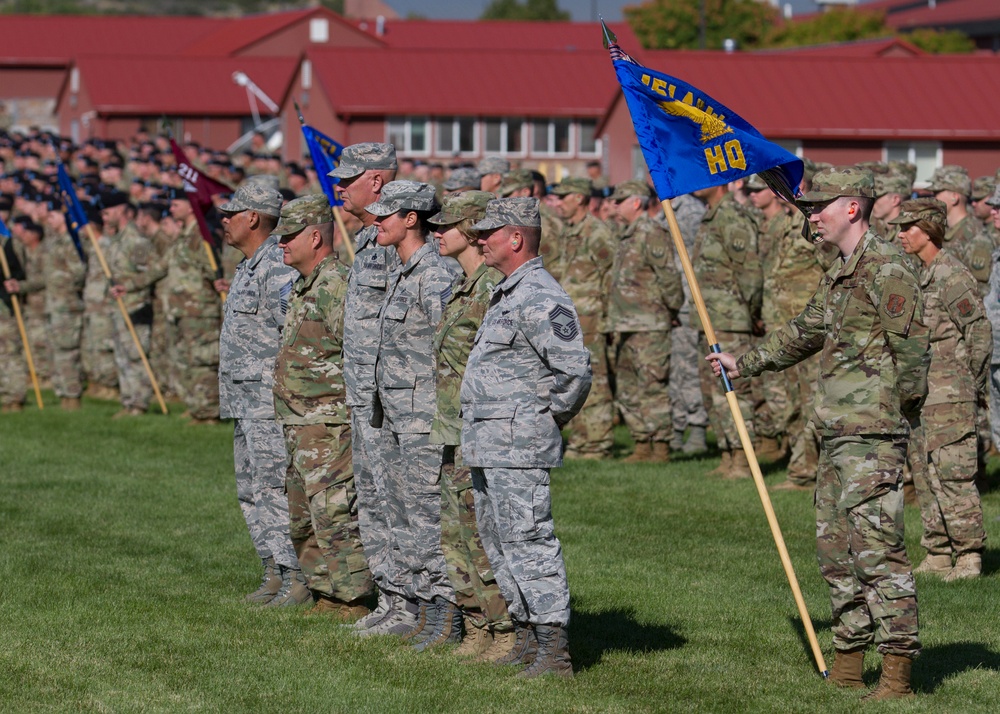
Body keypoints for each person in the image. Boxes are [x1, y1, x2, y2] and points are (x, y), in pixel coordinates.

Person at [707, 166, 929, 701]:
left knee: (877, 550)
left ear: (852, 208)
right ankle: (849, 663)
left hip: (871, 435)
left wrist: (894, 416)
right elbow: (806, 329)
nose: (811, 218)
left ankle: (897, 672)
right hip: (835, 430)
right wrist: (746, 363)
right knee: (836, 552)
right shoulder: (840, 272)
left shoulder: (888, 267)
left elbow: (914, 354)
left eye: (818, 208)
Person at [462, 197, 592, 678]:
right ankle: (527, 636)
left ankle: (554, 650)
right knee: (499, 541)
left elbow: (574, 371)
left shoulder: (540, 294)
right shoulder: (508, 292)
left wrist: (543, 420)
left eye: (489, 233)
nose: (480, 240)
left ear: (515, 238)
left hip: (518, 445)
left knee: (529, 539)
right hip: (489, 443)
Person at [354, 180, 460, 640]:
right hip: (395, 415)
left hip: (422, 419)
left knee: (427, 517)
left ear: (411, 219)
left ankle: (446, 614)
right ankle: (417, 608)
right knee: (401, 515)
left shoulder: (435, 275)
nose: (377, 222)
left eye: (386, 215)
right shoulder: (402, 271)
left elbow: (451, 351)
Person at [271, 194, 374, 618]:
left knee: (334, 513)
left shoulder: (336, 285)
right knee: (302, 514)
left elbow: (358, 354)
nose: (281, 245)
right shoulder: (302, 285)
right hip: (299, 423)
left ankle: (353, 598)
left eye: (289, 237)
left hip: (329, 424)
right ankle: (325, 592)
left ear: (315, 236)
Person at [427, 190, 513, 658]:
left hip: (479, 430)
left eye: (448, 225)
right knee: (456, 532)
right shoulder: (462, 286)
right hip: (451, 428)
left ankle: (504, 627)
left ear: (476, 231)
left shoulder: (491, 288)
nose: (438, 233)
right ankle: (477, 621)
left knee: (482, 532)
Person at [217, 179, 308, 607]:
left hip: (268, 402)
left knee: (273, 488)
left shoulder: (277, 269)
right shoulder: (248, 266)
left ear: (252, 218)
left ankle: (296, 576)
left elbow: (295, 334)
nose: (223, 221)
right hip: (243, 401)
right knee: (250, 489)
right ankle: (271, 568)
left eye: (230, 213)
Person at [892, 198, 989, 581]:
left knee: (953, 475)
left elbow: (979, 331)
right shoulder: (920, 274)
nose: (901, 234)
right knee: (926, 473)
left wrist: (970, 382)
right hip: (922, 396)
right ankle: (938, 551)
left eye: (908, 228)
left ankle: (968, 556)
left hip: (951, 396)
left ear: (929, 231)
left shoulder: (952, 275)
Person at [329, 142, 399, 628]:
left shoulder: (404, 235)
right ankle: (392, 599)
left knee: (401, 505)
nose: (337, 187)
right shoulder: (371, 238)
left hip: (394, 399)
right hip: (363, 394)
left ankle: (418, 604)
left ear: (375, 181)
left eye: (347, 179)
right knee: (372, 501)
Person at [606, 180, 684, 462]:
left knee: (652, 386)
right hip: (625, 323)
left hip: (651, 322)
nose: (613, 206)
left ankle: (660, 445)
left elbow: (668, 277)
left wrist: (671, 309)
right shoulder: (626, 233)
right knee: (627, 387)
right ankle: (641, 442)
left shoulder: (652, 232)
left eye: (619, 200)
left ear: (636, 203)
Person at [692, 181, 762, 478]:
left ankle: (744, 460)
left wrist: (751, 312)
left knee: (734, 392)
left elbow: (749, 271)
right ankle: (728, 453)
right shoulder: (711, 216)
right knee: (714, 393)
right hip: (710, 319)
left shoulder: (732, 216)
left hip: (731, 319)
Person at [551, 176, 615, 460]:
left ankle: (597, 443)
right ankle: (580, 441)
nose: (558, 203)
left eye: (564, 197)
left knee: (596, 383)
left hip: (592, 317)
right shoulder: (569, 230)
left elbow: (612, 276)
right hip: (571, 318)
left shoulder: (597, 232)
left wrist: (608, 316)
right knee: (573, 380)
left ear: (579, 198)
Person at [101, 189, 153, 418]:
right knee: (122, 355)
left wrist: (130, 287)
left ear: (122, 210)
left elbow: (148, 275)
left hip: (135, 306)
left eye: (108, 210)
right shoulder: (116, 240)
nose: (104, 215)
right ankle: (128, 400)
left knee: (135, 355)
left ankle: (139, 403)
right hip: (118, 308)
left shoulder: (137, 240)